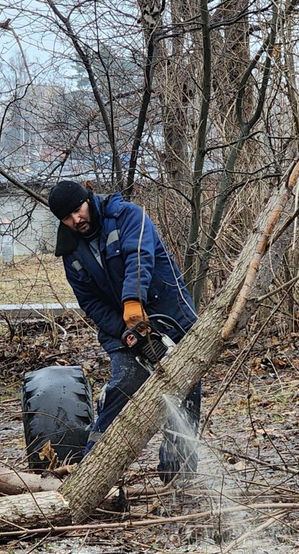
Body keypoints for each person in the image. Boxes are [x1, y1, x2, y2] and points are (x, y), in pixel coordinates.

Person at [47, 180, 201, 482]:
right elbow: (90, 302)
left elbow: (139, 258)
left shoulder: (129, 215)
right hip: (120, 328)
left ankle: (178, 474)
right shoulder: (71, 253)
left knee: (186, 391)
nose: (76, 220)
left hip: (170, 312)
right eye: (67, 217)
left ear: (88, 200)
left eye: (78, 210)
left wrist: (133, 303)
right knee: (126, 383)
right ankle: (92, 472)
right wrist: (124, 329)